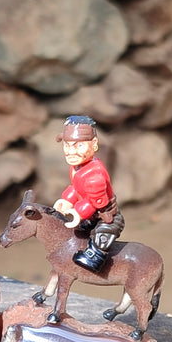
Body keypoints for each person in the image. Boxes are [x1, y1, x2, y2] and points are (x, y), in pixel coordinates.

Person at [53, 115, 124, 273]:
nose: (71, 152)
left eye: (78, 146)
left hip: (106, 216)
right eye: (67, 145)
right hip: (90, 214)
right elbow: (76, 187)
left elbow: (95, 202)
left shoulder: (94, 176)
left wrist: (77, 212)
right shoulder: (76, 168)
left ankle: (95, 257)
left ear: (95, 145)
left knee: (101, 236)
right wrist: (67, 200)